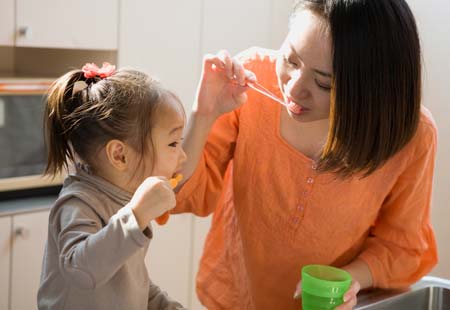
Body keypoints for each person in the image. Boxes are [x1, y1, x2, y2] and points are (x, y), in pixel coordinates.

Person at [173, 0, 438, 309]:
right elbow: (181, 193)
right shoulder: (250, 82)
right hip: (236, 298)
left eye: (323, 82)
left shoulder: (411, 136)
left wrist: (352, 278)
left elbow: (401, 247)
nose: (295, 89)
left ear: (373, 89)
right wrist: (202, 114)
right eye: (291, 59)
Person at [38, 62, 187, 310]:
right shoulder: (78, 203)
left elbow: (130, 283)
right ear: (120, 155)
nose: (183, 157)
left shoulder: (125, 202)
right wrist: (136, 216)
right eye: (173, 144)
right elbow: (81, 269)